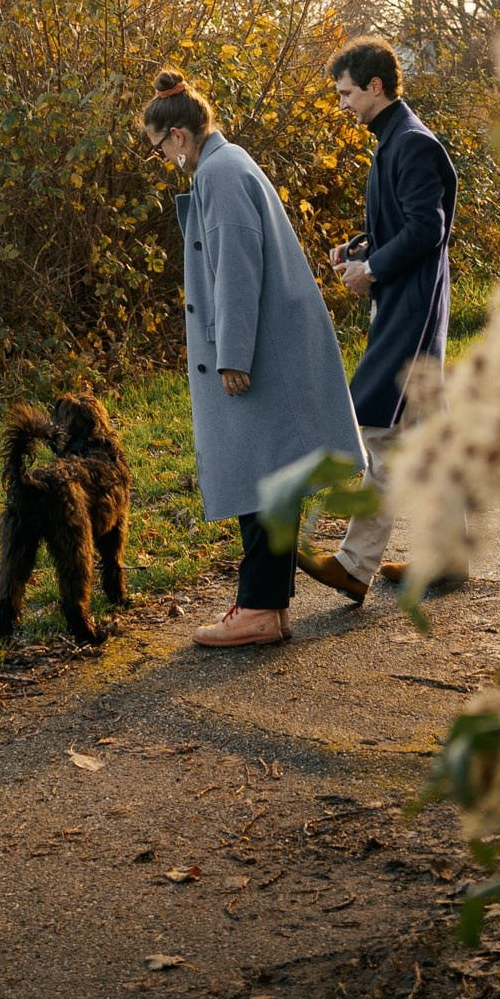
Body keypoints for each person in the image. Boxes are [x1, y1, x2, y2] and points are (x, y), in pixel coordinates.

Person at [142, 68, 364, 648]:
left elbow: (237, 274)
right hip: (272, 343)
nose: (162, 158)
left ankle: (261, 610)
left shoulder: (219, 174)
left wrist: (231, 355)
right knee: (270, 476)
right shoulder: (227, 163)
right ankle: (266, 606)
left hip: (260, 350)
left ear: (180, 136)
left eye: (158, 147)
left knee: (260, 476)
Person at [302, 36, 458, 606]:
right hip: (408, 302)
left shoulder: (411, 143)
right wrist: (359, 248)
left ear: (374, 86)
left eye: (346, 92)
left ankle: (353, 563)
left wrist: (373, 272)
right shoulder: (392, 140)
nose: (341, 104)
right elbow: (402, 225)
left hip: (409, 312)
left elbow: (427, 230)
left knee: (382, 431)